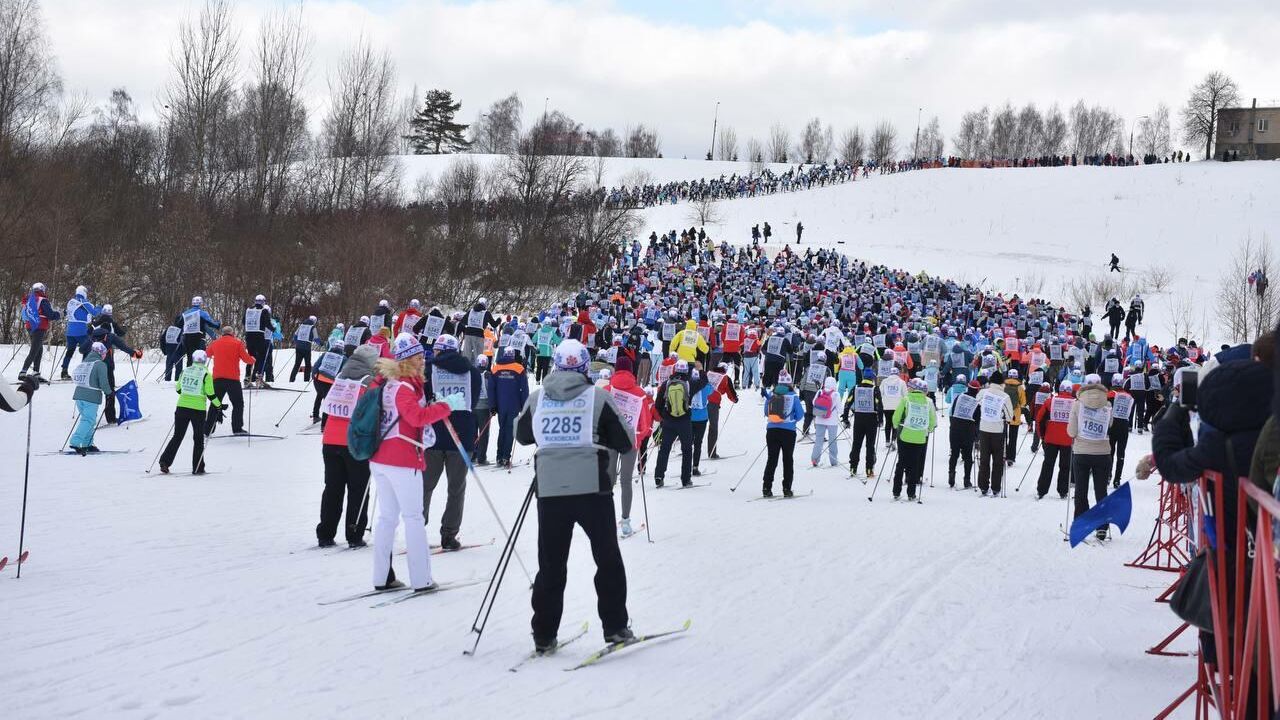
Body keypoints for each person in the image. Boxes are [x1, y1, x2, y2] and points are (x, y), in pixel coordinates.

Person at [515, 338, 636, 652]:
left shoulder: (538, 397)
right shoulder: (597, 396)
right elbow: (624, 440)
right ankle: (615, 627)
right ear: (585, 367)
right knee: (607, 558)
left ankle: (543, 633)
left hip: (551, 490)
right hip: (591, 487)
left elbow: (523, 434)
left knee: (551, 563)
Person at [369, 333, 455, 592]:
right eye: (418, 358)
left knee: (387, 519)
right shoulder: (404, 387)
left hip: (382, 458)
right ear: (406, 360)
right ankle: (421, 579)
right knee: (413, 518)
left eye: (423, 357)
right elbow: (416, 417)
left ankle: (381, 576)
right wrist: (444, 407)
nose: (423, 362)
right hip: (402, 459)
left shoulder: (388, 383)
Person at [423, 333, 482, 551]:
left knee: (425, 485)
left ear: (438, 350)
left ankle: (417, 528)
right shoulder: (473, 373)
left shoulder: (428, 369)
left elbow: (423, 398)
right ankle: (449, 534)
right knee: (456, 489)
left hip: (434, 435)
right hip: (462, 437)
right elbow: (472, 402)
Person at [317, 345, 378, 548]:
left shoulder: (340, 378)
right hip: (355, 443)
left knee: (332, 488)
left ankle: (325, 533)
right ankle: (354, 534)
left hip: (330, 440)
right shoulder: (368, 382)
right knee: (358, 489)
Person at [605, 356, 655, 537]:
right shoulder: (640, 393)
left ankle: (606, 519)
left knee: (609, 480)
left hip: (610, 439)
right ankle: (625, 522)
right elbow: (646, 423)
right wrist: (639, 439)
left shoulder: (607, 389)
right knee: (626, 481)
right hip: (629, 441)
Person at [1067, 374, 1114, 539]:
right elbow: (1110, 426)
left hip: (1082, 452)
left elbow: (1071, 432)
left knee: (1081, 490)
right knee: (1101, 491)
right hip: (1102, 453)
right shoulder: (1108, 405)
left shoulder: (1077, 405)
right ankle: (1102, 527)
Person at [159, 350, 220, 475]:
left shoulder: (185, 370)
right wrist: (219, 406)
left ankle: (165, 461)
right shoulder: (206, 374)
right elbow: (210, 394)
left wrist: (187, 395)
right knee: (198, 439)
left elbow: (178, 388)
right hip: (198, 410)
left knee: (177, 436)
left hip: (182, 407)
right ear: (204, 360)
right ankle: (198, 467)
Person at [653, 359, 704, 488]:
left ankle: (659, 477)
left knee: (664, 449)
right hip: (684, 421)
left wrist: (664, 416)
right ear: (687, 370)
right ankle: (686, 479)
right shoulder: (689, 383)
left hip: (669, 421)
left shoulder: (666, 384)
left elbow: (658, 404)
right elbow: (704, 382)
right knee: (687, 450)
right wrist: (700, 369)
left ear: (675, 370)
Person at [891, 378, 937, 501]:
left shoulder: (906, 399)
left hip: (905, 435)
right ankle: (911, 493)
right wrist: (929, 429)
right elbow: (933, 421)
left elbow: (896, 416)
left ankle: (896, 491)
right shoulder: (928, 401)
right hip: (920, 438)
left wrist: (896, 426)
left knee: (901, 462)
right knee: (914, 465)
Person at [762, 370, 805, 497]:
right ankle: (786, 488)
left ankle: (766, 487)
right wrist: (791, 420)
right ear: (790, 383)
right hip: (788, 432)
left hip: (772, 430)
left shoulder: (771, 394)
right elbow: (800, 414)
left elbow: (766, 412)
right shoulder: (793, 396)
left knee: (772, 459)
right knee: (787, 460)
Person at [205, 327, 255, 437]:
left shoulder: (215, 343)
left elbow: (206, 354)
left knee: (215, 403)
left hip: (217, 379)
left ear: (222, 334)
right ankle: (237, 428)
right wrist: (253, 359)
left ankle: (208, 429)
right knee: (238, 404)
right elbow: (246, 359)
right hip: (233, 379)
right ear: (232, 333)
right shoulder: (237, 343)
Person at [1034, 380, 1076, 499]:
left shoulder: (1050, 401)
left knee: (1048, 464)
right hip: (1068, 439)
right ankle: (1063, 491)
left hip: (1051, 438)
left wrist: (1042, 435)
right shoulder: (1075, 403)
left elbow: (1039, 419)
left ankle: (1041, 490)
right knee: (1065, 466)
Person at [69, 342, 113, 455]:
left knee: (89, 420)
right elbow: (103, 382)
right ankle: (75, 442)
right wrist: (109, 393)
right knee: (88, 420)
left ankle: (87, 443)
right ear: (101, 353)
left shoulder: (85, 362)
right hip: (91, 397)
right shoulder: (100, 364)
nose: (105, 355)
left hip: (79, 396)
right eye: (104, 353)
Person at [975, 371, 1015, 496]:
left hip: (984, 429)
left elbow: (977, 403)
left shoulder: (983, 393)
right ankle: (996, 487)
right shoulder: (1004, 396)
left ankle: (983, 486)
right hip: (998, 431)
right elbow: (1009, 417)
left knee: (984, 459)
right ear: (1002, 382)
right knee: (998, 461)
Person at [491, 347, 529, 468]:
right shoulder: (519, 368)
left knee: (502, 429)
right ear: (513, 355)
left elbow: (491, 389)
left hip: (501, 404)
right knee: (510, 430)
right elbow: (524, 389)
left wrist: (492, 405)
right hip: (514, 404)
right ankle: (505, 457)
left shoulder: (496, 368)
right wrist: (525, 405)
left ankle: (499, 456)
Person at [842, 368, 883, 478]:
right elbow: (879, 405)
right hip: (871, 420)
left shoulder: (855, 388)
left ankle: (853, 468)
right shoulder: (875, 389)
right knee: (870, 445)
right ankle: (869, 469)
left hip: (859, 419)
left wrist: (845, 418)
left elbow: (848, 403)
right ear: (872, 378)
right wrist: (881, 420)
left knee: (856, 444)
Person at [19, 282, 60, 381]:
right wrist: (58, 314)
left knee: (39, 348)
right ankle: (23, 372)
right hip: (39, 326)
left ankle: (36, 373)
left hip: (30, 326)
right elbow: (50, 314)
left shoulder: (30, 299)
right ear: (42, 290)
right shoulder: (43, 300)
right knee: (34, 350)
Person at [947, 378, 980, 488]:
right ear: (977, 391)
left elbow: (952, 411)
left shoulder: (959, 397)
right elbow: (977, 419)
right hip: (968, 430)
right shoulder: (976, 403)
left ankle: (951, 474)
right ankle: (967, 480)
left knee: (954, 453)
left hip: (955, 427)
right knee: (967, 456)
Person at [59, 285, 97, 380]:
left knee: (70, 351)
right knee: (87, 349)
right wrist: (100, 307)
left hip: (70, 331)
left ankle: (64, 370)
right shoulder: (83, 302)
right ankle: (84, 371)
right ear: (84, 293)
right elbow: (94, 313)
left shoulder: (71, 302)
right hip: (81, 331)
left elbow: (67, 312)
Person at [1108, 374, 1134, 489]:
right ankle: (1117, 479)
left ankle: (1108, 475)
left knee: (1110, 452)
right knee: (1121, 454)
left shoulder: (1111, 394)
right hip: (1123, 425)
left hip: (1112, 425)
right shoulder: (1130, 396)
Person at [810, 376, 842, 467]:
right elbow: (840, 409)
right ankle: (833, 461)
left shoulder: (820, 391)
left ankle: (815, 460)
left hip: (819, 419)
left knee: (818, 440)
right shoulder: (836, 394)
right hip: (832, 421)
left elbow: (813, 402)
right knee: (832, 441)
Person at [240, 296, 270, 385]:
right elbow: (267, 323)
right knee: (262, 356)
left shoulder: (248, 310)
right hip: (259, 336)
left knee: (251, 357)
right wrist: (274, 329)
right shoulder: (264, 310)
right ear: (263, 302)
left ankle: (247, 378)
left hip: (249, 336)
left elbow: (243, 322)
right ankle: (259, 378)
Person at [290, 316, 319, 382]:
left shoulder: (301, 325)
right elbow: (316, 338)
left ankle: (291, 379)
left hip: (298, 347)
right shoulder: (313, 327)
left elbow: (295, 336)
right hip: (307, 348)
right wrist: (321, 343)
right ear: (314, 321)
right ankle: (306, 380)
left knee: (297, 364)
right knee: (308, 364)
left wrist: (297, 343)